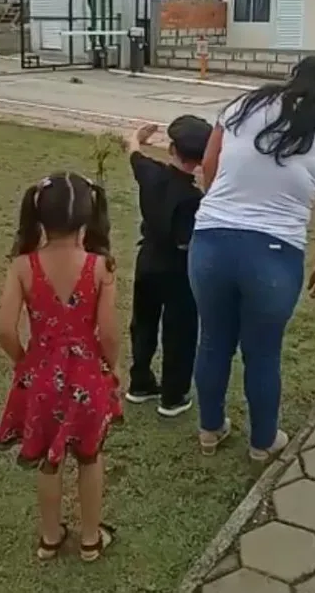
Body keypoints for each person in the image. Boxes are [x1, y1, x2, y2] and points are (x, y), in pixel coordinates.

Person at [188, 56, 315, 459]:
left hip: (210, 243)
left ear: (291, 77)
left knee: (212, 341)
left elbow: (209, 165)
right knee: (263, 353)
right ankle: (263, 443)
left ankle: (210, 430)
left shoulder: (241, 108)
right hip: (275, 257)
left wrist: (221, 208)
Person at [0, 172, 121, 562]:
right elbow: (111, 332)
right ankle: (89, 539)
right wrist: (110, 367)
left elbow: (4, 328)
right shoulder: (101, 267)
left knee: (49, 459)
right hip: (87, 375)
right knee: (89, 456)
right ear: (87, 217)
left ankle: (50, 538)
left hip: (42, 376)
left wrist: (24, 361)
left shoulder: (23, 267)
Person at [126, 115, 212, 417]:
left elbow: (134, 152)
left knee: (143, 322)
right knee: (180, 332)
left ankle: (140, 382)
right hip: (179, 270)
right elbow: (188, 241)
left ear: (172, 148)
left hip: (147, 260)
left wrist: (138, 136)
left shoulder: (151, 174)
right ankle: (173, 396)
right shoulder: (195, 198)